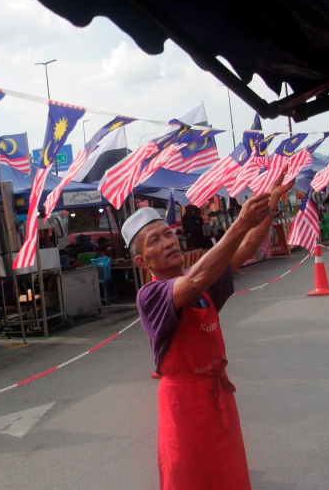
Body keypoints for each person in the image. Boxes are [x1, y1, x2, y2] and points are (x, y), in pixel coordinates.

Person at [129, 170, 292, 490]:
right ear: (141, 261)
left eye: (168, 234)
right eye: (155, 241)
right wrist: (241, 221)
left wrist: (270, 206)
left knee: (228, 477)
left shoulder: (200, 277)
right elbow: (195, 281)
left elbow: (245, 247)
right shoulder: (151, 295)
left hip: (217, 400)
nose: (168, 243)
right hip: (183, 409)